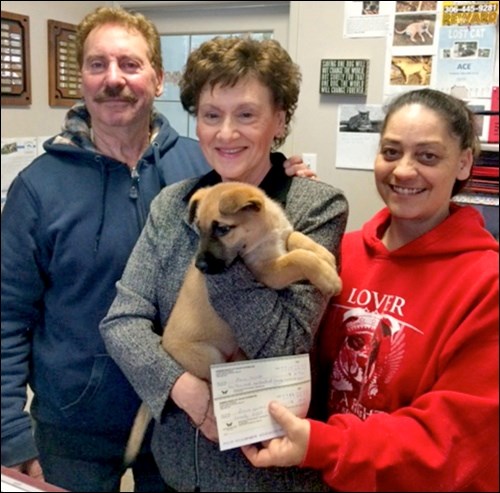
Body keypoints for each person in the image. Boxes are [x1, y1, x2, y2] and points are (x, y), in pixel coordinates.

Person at [0, 7, 312, 493]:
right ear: (80, 77)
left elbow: (251, 210)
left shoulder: (202, 168)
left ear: (158, 78)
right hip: (73, 431)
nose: (113, 80)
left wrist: (281, 181)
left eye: (129, 64)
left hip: (179, 425)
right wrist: (12, 435)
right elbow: (5, 317)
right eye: (97, 64)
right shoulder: (37, 189)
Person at [99, 36, 348, 492]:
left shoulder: (317, 206)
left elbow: (283, 346)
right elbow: (122, 321)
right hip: (173, 469)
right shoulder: (177, 203)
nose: (226, 133)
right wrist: (187, 390)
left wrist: (226, 255)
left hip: (264, 476)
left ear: (280, 119)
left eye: (247, 114)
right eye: (211, 115)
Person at [242, 88, 499, 492]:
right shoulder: (341, 253)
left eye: (428, 156)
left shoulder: (487, 283)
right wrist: (283, 198)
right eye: (391, 152)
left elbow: (455, 440)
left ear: (464, 162)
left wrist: (326, 445)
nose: (403, 171)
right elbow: (285, 345)